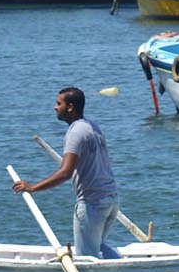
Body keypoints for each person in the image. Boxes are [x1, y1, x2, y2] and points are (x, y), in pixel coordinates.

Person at [11, 86, 120, 259]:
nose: (55, 107)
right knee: (97, 246)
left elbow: (65, 173)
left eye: (58, 103)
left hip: (92, 203)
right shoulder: (93, 127)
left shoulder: (75, 132)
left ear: (70, 107)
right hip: (111, 200)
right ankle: (123, 269)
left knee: (87, 259)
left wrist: (32, 188)